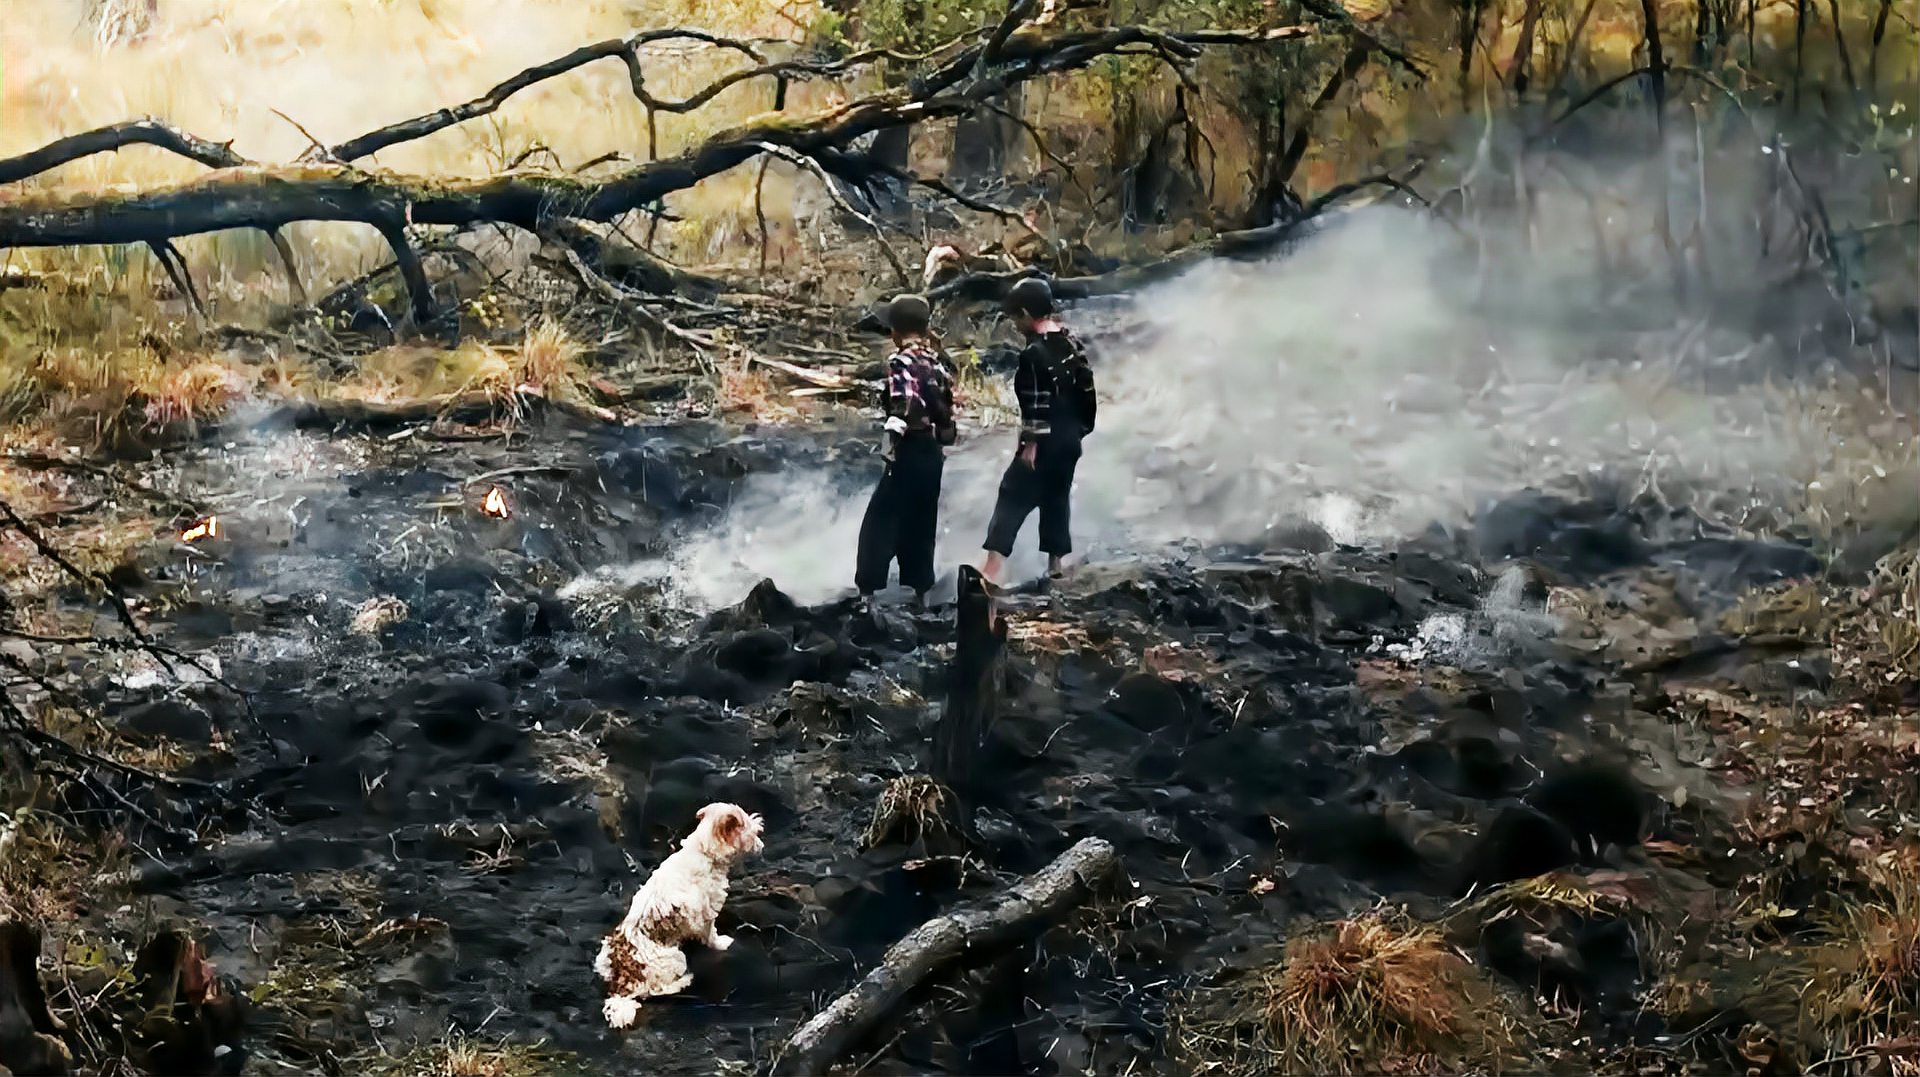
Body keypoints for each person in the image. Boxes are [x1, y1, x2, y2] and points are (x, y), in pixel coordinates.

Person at [980, 277, 1097, 585]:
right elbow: (1087, 389)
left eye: (1016, 317)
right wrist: (1082, 429)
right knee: (1056, 498)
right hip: (1070, 438)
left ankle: (992, 569)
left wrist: (1031, 443)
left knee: (1012, 494)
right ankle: (1056, 565)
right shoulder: (1070, 341)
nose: (1016, 325)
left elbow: (1036, 402)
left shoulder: (1033, 354)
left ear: (1026, 314)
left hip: (1045, 439)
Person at [855, 293, 957, 607]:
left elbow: (901, 406)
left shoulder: (901, 361)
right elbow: (946, 417)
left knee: (880, 522)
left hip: (909, 448)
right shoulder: (937, 363)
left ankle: (868, 594)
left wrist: (889, 444)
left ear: (895, 332)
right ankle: (920, 592)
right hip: (932, 453)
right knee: (921, 521)